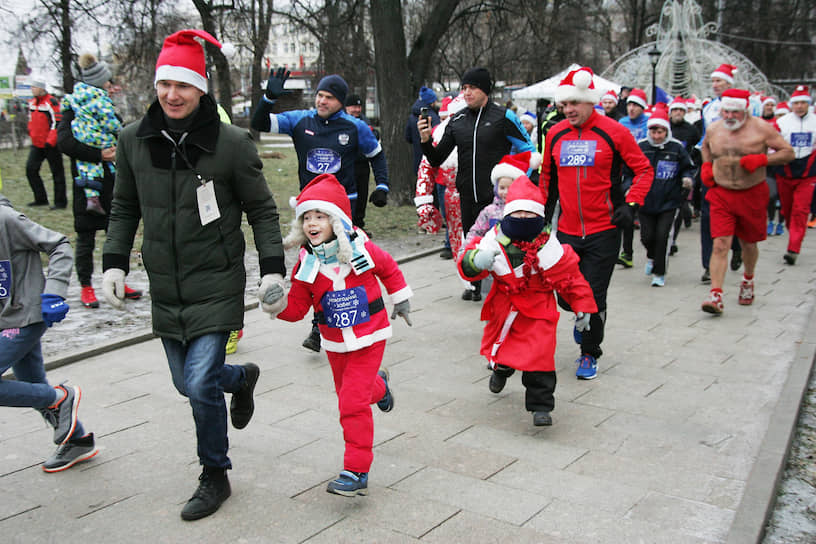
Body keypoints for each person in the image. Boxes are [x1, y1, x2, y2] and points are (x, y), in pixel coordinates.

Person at [101, 29, 287, 521]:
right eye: (164, 84)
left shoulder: (230, 144)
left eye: (182, 85)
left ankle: (215, 473)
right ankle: (241, 378)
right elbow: (123, 208)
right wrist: (114, 262)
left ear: (200, 89)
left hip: (216, 280)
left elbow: (262, 211)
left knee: (199, 383)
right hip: (166, 284)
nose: (172, 94)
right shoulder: (132, 141)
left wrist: (272, 271)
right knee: (188, 383)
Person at [272, 173, 412, 497]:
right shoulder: (306, 264)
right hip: (335, 343)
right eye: (306, 217)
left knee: (351, 402)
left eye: (319, 215)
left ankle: (356, 469)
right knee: (356, 393)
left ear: (335, 220)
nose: (312, 223)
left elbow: (389, 268)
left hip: (370, 335)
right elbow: (295, 309)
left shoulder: (361, 247)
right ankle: (381, 386)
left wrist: (401, 299)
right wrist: (275, 303)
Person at [252, 68, 389, 352]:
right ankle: (319, 325)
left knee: (343, 263)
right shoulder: (300, 120)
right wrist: (268, 98)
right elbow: (259, 122)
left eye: (329, 97)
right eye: (319, 95)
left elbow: (376, 154)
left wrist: (383, 185)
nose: (322, 101)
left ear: (340, 101)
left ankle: (355, 318)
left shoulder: (355, 127)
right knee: (313, 264)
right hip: (311, 208)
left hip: (343, 208)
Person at [540, 66, 653, 379]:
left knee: (592, 295)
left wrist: (631, 204)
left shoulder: (614, 132)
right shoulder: (555, 133)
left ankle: (589, 352)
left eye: (575, 103)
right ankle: (581, 315)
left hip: (604, 230)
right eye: (565, 105)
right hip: (567, 231)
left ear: (591, 101)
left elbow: (644, 170)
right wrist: (541, 217)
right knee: (565, 293)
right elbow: (547, 178)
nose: (569, 110)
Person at [458, 175, 597, 426]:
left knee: (540, 356)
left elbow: (571, 278)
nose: (523, 218)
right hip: (505, 306)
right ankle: (502, 369)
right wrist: (474, 261)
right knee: (505, 349)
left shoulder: (550, 247)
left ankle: (541, 406)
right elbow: (468, 265)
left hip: (540, 308)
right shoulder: (493, 241)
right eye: (517, 212)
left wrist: (583, 307)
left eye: (529, 213)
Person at [418, 67, 536, 300]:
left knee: (501, 246)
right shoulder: (458, 120)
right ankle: (475, 286)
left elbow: (529, 151)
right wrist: (425, 140)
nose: (467, 92)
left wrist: (520, 183)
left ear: (485, 90)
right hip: (467, 196)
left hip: (497, 197)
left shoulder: (503, 116)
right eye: (464, 88)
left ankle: (509, 287)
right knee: (473, 244)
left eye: (472, 87)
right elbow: (436, 158)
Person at [0, 193, 98, 472]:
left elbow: (59, 244)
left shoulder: (5, 219)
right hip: (6, 318)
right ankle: (78, 440)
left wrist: (53, 292)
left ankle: (59, 397)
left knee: (43, 393)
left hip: (27, 314)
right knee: (29, 380)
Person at [58, 55, 142, 310]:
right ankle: (85, 287)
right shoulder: (72, 108)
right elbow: (65, 142)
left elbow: (121, 132)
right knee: (86, 237)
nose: (109, 85)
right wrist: (99, 154)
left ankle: (118, 279)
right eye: (106, 81)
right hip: (87, 183)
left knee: (116, 234)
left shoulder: (105, 107)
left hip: (111, 182)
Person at [699, 89, 793, 314]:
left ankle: (748, 280)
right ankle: (716, 295)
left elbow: (788, 152)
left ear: (745, 111)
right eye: (726, 111)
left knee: (749, 244)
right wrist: (706, 166)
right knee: (720, 243)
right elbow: (705, 147)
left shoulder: (761, 128)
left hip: (751, 192)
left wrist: (763, 159)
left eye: (734, 112)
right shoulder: (714, 128)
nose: (729, 116)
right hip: (722, 192)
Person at [626, 106, 694, 286]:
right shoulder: (641, 147)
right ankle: (651, 256)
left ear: (667, 131)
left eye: (661, 131)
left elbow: (688, 166)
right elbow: (629, 169)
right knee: (646, 237)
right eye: (653, 131)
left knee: (663, 236)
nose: (657, 135)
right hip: (646, 201)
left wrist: (687, 178)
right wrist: (628, 188)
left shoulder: (676, 148)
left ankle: (659, 273)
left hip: (669, 201)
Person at [698, 63, 744, 282]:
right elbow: (705, 137)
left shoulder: (745, 107)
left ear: (729, 82)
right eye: (714, 81)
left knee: (736, 215)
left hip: (737, 170)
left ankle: (737, 246)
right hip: (712, 169)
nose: (715, 85)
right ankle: (708, 264)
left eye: (720, 81)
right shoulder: (708, 108)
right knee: (708, 216)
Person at [414, 94, 466, 264]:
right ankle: (469, 283)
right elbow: (426, 165)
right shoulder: (440, 132)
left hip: (483, 194)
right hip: (450, 191)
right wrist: (424, 202)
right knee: (457, 237)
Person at [463, 152, 540, 249]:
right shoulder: (489, 211)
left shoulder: (525, 210)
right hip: (492, 254)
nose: (506, 192)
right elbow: (476, 232)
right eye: (502, 188)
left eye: (511, 187)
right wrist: (466, 250)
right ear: (496, 188)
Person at [774, 85, 816, 265]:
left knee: (801, 210)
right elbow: (771, 143)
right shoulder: (782, 122)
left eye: (803, 103)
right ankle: (795, 235)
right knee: (787, 210)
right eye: (796, 103)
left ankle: (793, 248)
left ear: (808, 104)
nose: (799, 106)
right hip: (785, 171)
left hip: (808, 173)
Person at [25, 78, 67, 209]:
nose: (32, 89)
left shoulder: (52, 102)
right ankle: (40, 198)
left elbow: (58, 122)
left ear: (41, 88)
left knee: (57, 173)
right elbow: (31, 121)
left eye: (34, 87)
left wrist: (51, 141)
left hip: (50, 144)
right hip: (36, 144)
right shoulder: (31, 103)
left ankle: (60, 202)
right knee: (30, 170)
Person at [345, 93, 379, 232]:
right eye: (354, 107)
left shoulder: (364, 121)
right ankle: (348, 225)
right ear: (346, 107)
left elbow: (374, 136)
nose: (357, 110)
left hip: (363, 165)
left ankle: (359, 227)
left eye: (359, 107)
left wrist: (374, 134)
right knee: (348, 197)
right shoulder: (342, 121)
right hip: (347, 166)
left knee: (362, 196)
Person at [405, 86, 440, 173]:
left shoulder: (412, 116)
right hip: (432, 160)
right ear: (431, 102)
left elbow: (408, 137)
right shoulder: (433, 117)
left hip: (418, 160)